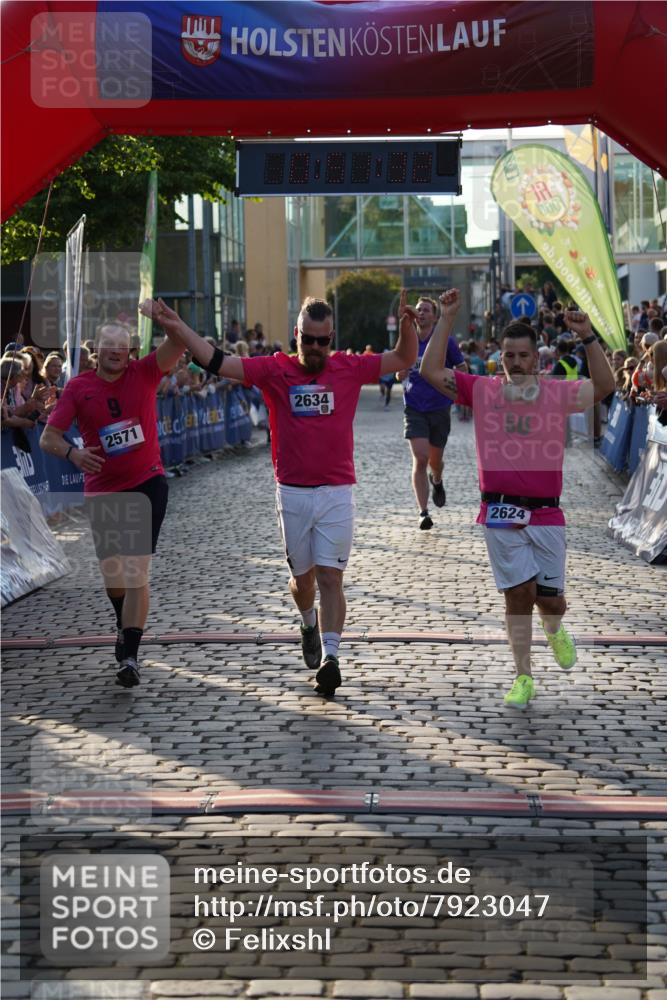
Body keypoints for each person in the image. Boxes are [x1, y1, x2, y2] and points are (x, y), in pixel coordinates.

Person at [140, 292, 418, 697]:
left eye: (324, 341)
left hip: (337, 490)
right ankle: (308, 622)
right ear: (296, 335)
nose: (317, 348)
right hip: (292, 493)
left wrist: (408, 324)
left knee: (330, 577)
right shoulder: (274, 370)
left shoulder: (348, 367)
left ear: (332, 338)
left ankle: (331, 658)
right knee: (302, 580)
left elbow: (402, 359)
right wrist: (176, 326)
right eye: (309, 340)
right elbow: (216, 361)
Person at [420, 289, 615, 709]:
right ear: (500, 359)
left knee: (551, 600)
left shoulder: (556, 393)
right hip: (499, 510)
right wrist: (447, 319)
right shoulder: (483, 390)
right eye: (508, 356)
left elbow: (605, 385)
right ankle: (523, 675)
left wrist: (588, 338)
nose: (516, 364)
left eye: (523, 356)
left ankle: (555, 627)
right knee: (518, 595)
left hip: (547, 513)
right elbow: (431, 370)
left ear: (537, 360)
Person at [40, 321, 185, 688]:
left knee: (136, 569)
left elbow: (179, 342)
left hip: (147, 482)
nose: (115, 352)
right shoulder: (78, 387)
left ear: (130, 351)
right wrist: (73, 453)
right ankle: (125, 624)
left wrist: (163, 316)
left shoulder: (146, 371)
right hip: (103, 489)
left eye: (121, 346)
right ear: (96, 350)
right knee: (114, 578)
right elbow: (48, 438)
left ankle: (131, 655)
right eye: (108, 346)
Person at [399, 296, 466, 530]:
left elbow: (461, 368)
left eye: (427, 310)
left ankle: (436, 480)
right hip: (414, 406)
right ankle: (423, 512)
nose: (422, 313)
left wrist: (455, 385)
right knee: (420, 457)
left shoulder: (444, 341)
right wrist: (403, 371)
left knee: (435, 461)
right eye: (419, 310)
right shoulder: (407, 339)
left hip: (439, 406)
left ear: (435, 316)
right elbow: (398, 373)